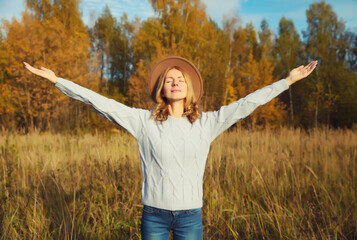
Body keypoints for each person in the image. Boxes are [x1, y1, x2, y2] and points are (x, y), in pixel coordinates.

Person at [24, 56, 318, 240]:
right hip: (154, 216)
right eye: (169, 79)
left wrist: (288, 81)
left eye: (180, 79)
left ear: (188, 88)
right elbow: (98, 102)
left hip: (191, 217)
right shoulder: (143, 121)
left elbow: (247, 104)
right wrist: (57, 81)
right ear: (162, 90)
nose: (175, 82)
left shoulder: (208, 123)